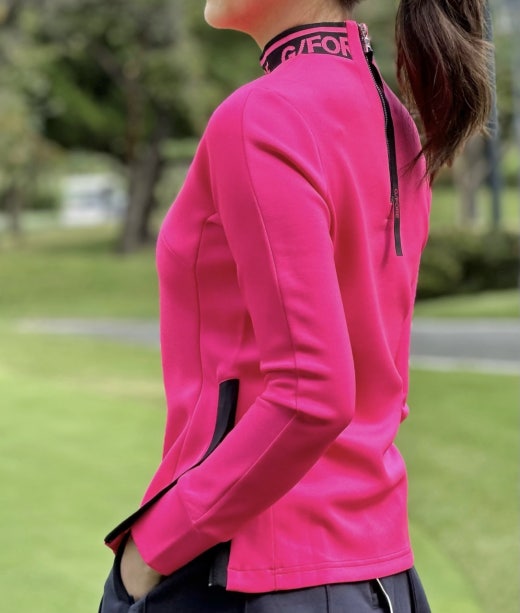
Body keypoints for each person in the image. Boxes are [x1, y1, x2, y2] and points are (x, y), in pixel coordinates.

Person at [98, 0, 493, 611]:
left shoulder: (263, 114)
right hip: (377, 574)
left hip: (250, 570)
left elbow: (313, 392)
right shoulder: (390, 116)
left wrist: (149, 551)